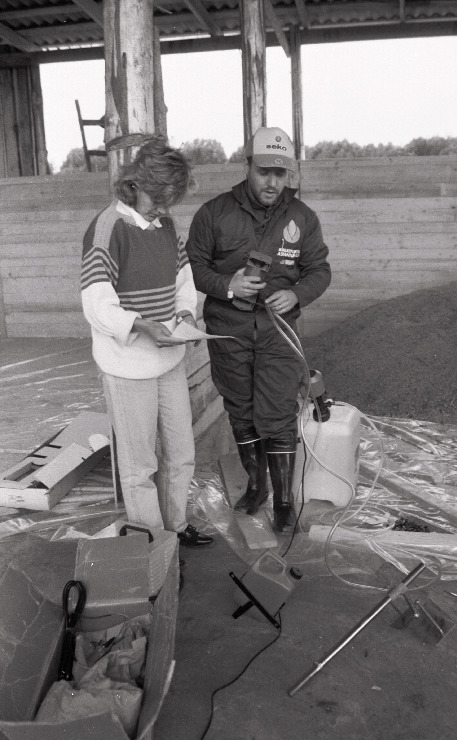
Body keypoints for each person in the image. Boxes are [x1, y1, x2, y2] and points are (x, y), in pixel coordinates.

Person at [186, 127, 331, 533]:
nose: (272, 182)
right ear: (247, 165)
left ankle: (283, 501)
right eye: (265, 171)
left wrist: (298, 294)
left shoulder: (301, 218)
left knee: (280, 411)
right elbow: (193, 267)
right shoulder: (213, 213)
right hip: (229, 329)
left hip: (278, 331)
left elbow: (319, 269)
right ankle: (257, 486)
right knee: (241, 408)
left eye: (281, 174)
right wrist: (226, 285)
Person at [81, 136, 214, 550]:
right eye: (156, 199)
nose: (162, 209)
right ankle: (154, 543)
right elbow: (96, 305)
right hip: (127, 364)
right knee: (140, 465)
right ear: (133, 185)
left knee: (181, 451)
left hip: (167, 357)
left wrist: (187, 314)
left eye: (168, 202)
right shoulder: (107, 229)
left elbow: (183, 280)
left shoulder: (167, 225)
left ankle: (175, 526)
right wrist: (142, 326)